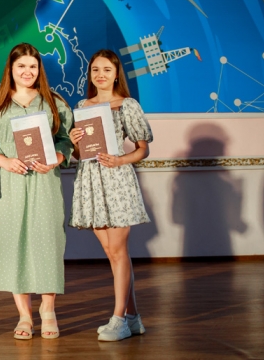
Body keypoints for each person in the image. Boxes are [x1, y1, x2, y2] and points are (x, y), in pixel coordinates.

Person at [0, 43, 73, 340]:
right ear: (10, 69)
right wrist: (2, 160)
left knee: (47, 241)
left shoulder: (54, 102)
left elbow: (66, 140)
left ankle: (48, 310)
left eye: (33, 66)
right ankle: (24, 315)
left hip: (44, 182)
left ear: (39, 70)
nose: (27, 71)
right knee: (13, 244)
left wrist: (56, 159)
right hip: (8, 182)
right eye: (21, 66)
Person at [68, 49, 153, 342]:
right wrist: (74, 142)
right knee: (113, 253)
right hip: (91, 181)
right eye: (95, 70)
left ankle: (118, 319)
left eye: (106, 69)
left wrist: (119, 160)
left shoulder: (127, 105)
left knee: (118, 252)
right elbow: (79, 154)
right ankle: (133, 318)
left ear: (117, 74)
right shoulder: (82, 106)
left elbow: (143, 150)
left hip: (117, 181)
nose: (100, 75)